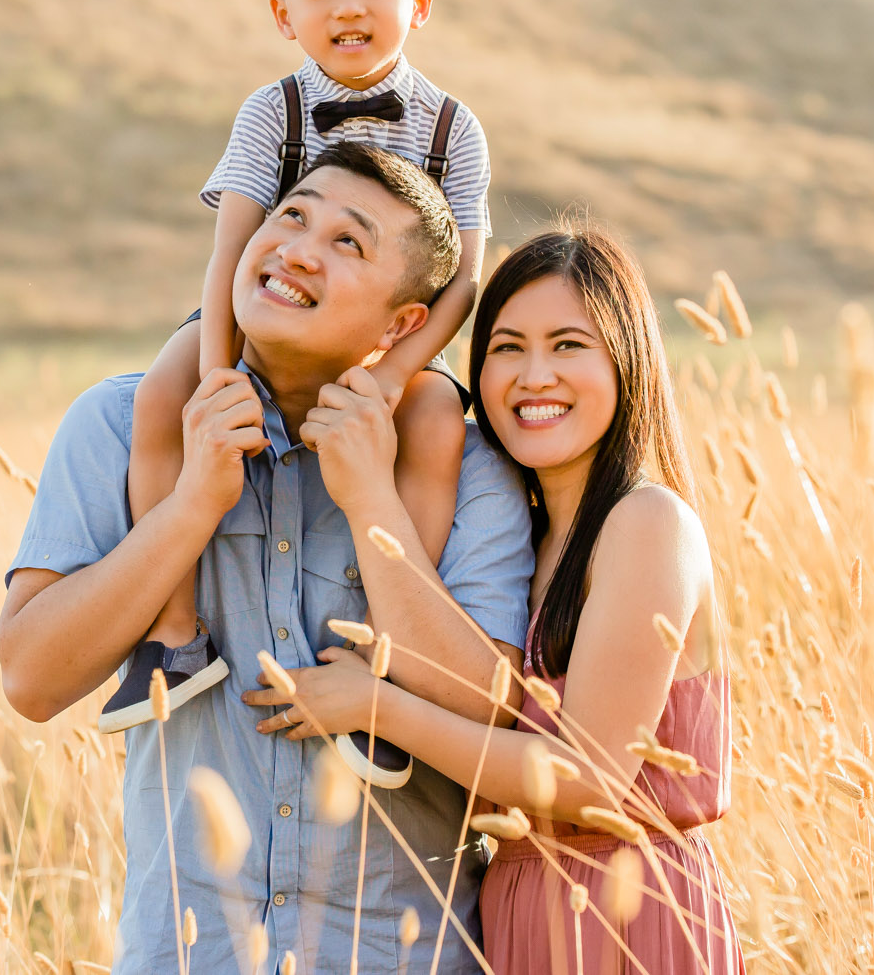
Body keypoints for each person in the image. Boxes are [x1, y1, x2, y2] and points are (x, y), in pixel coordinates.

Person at [0, 143, 531, 975]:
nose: (298, 248)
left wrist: (372, 503)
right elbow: (30, 677)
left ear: (402, 325)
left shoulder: (464, 464)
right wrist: (189, 506)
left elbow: (490, 703)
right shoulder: (120, 423)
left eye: (348, 242)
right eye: (291, 216)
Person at [246, 228, 744, 972]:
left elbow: (588, 777)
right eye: (507, 347)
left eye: (568, 345)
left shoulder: (646, 522)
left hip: (631, 914)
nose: (533, 375)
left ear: (627, 361)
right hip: (521, 906)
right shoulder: (530, 537)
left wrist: (375, 708)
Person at [110, 0, 491, 793]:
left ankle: (382, 658)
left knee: (438, 427)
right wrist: (215, 375)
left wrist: (395, 376)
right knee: (160, 393)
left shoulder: (452, 127)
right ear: (283, 14)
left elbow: (466, 278)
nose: (347, 4)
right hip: (256, 323)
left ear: (419, 1)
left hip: (391, 345)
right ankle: (170, 637)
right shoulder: (270, 113)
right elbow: (230, 255)